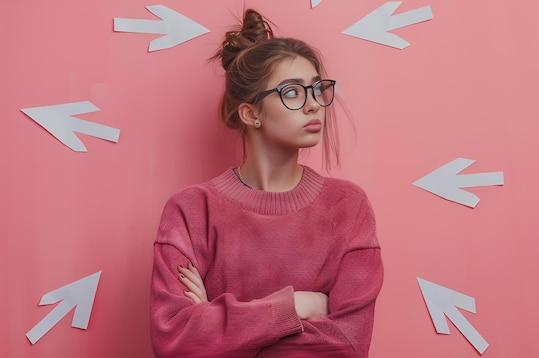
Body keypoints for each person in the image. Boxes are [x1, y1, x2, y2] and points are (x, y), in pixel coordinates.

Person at [149, 9, 383, 358]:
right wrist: (294, 307)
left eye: (318, 89)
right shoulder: (190, 210)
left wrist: (218, 322)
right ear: (251, 113)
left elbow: (348, 345)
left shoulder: (348, 207)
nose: (314, 105)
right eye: (292, 92)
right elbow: (173, 341)